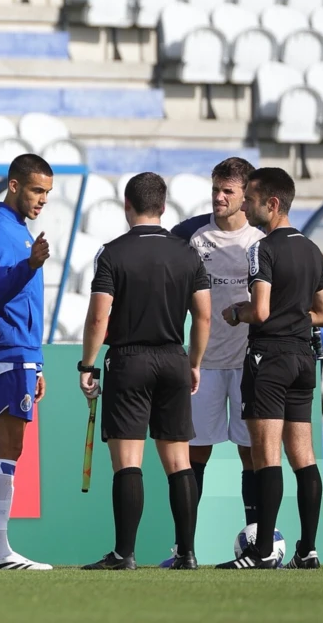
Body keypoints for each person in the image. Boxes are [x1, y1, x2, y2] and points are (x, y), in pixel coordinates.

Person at [78, 172, 212, 571]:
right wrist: (194, 362)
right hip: (173, 357)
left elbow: (99, 315)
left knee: (129, 462)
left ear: (127, 206)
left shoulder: (112, 253)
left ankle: (124, 554)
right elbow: (203, 315)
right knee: (179, 463)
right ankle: (186, 553)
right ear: (164, 206)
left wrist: (88, 364)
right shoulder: (187, 252)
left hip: (129, 360)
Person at [214, 167, 323, 570]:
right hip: (303, 358)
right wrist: (294, 315)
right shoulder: (313, 250)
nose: (245, 205)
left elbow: (260, 311)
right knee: (304, 457)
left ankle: (263, 550)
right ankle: (309, 549)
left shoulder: (262, 249)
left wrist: (235, 312)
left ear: (273, 204)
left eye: (252, 199)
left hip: (270, 359)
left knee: (267, 458)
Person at [158, 157, 262, 567]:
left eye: (228, 192)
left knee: (251, 454)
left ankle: (256, 545)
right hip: (205, 364)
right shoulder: (192, 236)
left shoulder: (262, 236)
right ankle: (185, 549)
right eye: (215, 189)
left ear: (246, 195)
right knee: (193, 453)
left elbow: (312, 262)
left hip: (250, 364)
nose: (218, 198)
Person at [0, 154, 54, 570]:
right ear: (15, 185)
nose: (42, 200)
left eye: (47, 193)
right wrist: (30, 265)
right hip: (7, 352)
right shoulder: (0, 229)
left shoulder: (16, 230)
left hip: (16, 353)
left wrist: (36, 362)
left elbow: (24, 304)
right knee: (8, 448)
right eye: (38, 190)